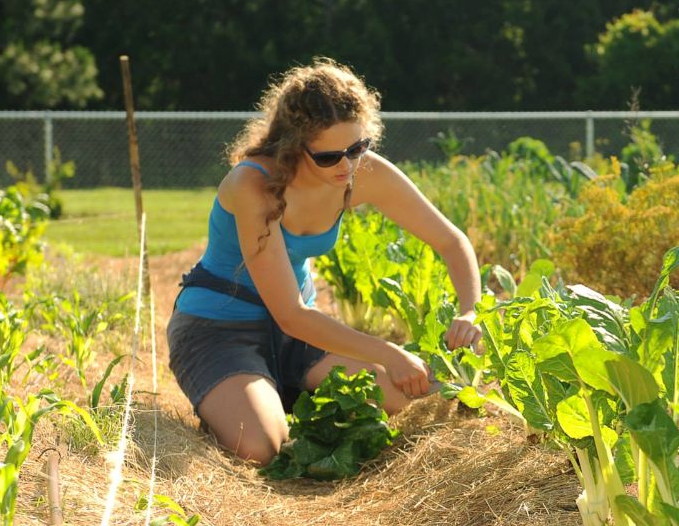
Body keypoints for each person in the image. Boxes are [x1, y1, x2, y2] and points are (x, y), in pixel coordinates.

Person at [168, 58, 482, 464]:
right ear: (293, 146)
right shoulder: (253, 185)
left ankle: (280, 389)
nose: (347, 165)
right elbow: (291, 314)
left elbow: (451, 241)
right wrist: (387, 352)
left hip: (302, 337)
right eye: (330, 156)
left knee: (421, 397)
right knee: (260, 447)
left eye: (358, 148)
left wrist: (471, 310)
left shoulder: (362, 172)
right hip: (218, 329)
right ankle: (249, 396)